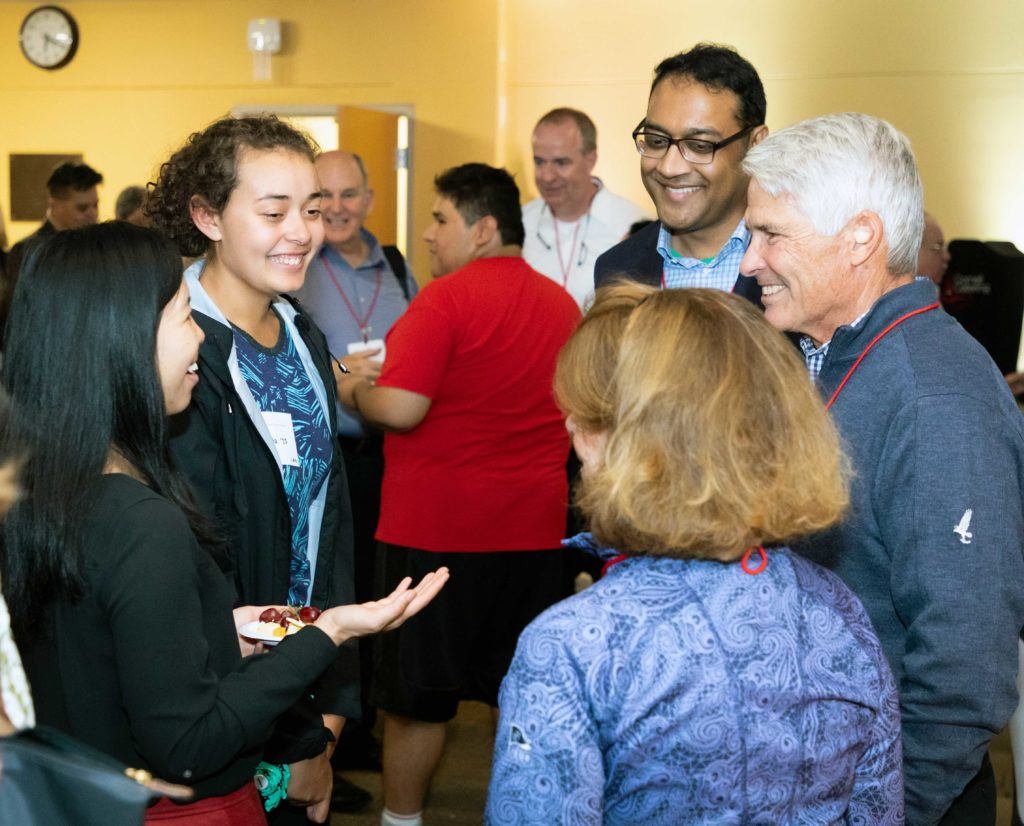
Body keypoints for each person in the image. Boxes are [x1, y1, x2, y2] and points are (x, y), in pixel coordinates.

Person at [0, 221, 448, 823]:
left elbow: (112, 656)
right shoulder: (140, 522)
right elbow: (189, 742)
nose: (203, 342)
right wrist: (328, 635)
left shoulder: (34, 490)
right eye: (187, 317)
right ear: (122, 341)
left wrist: (236, 626)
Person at [486, 284, 902, 824]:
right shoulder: (836, 609)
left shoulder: (576, 646)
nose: (569, 429)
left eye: (586, 417)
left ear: (625, 444)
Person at [740, 111, 1024, 825]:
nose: (750, 262)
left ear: (860, 236)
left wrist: (891, 810)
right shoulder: (825, 357)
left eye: (772, 235)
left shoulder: (935, 395)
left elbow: (966, 665)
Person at [335, 163, 580, 826]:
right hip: (533, 534)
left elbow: (403, 407)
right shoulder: (562, 304)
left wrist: (350, 387)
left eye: (441, 219)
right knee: (518, 694)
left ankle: (401, 821)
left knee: (416, 702)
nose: (427, 233)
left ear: (483, 229)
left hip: (434, 535)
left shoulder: (444, 299)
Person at [147, 115, 364, 824]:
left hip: (304, 675)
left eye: (311, 209)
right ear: (207, 216)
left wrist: (328, 707)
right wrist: (293, 733)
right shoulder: (175, 350)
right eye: (272, 212)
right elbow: (195, 557)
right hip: (226, 696)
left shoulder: (303, 333)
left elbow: (326, 519)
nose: (300, 231)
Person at [294, 150, 416, 786]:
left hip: (390, 458)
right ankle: (320, 735)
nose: (336, 208)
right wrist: (340, 376)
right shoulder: (296, 261)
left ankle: (360, 728)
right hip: (325, 455)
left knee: (375, 588)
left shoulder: (397, 267)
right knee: (328, 588)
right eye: (325, 196)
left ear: (370, 198)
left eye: (349, 195)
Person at [594, 43, 767, 305]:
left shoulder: (797, 265)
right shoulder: (617, 270)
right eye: (656, 141)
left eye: (699, 146)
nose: (668, 168)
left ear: (755, 144)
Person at [521, 108, 648, 309]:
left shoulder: (634, 225)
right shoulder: (520, 223)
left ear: (591, 159)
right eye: (539, 162)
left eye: (560, 163)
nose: (546, 176)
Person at [4, 160, 103, 282]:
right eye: (82, 208)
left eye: (96, 205)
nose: (93, 214)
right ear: (55, 205)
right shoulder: (27, 251)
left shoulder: (102, 247)